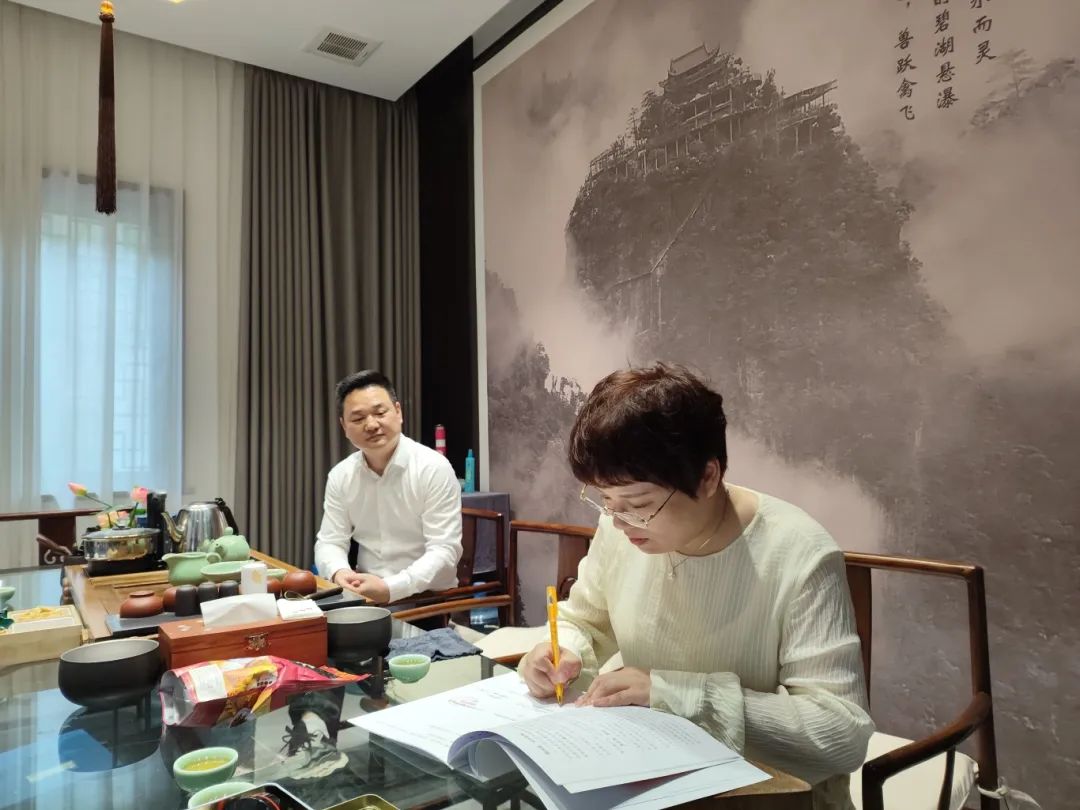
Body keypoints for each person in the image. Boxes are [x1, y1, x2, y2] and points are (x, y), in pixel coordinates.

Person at [520, 363, 873, 810]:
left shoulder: (798, 554)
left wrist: (672, 694)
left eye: (638, 503)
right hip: (651, 781)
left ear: (708, 477)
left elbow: (840, 733)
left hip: (769, 796)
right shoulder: (622, 528)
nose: (619, 521)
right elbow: (584, 620)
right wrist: (559, 651)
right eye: (605, 501)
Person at [314, 370, 462, 604]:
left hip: (427, 599)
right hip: (365, 596)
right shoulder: (341, 476)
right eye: (358, 419)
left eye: (380, 413)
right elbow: (330, 541)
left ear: (398, 411)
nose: (371, 425)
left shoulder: (433, 468)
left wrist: (390, 588)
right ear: (344, 426)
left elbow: (444, 550)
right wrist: (339, 572)